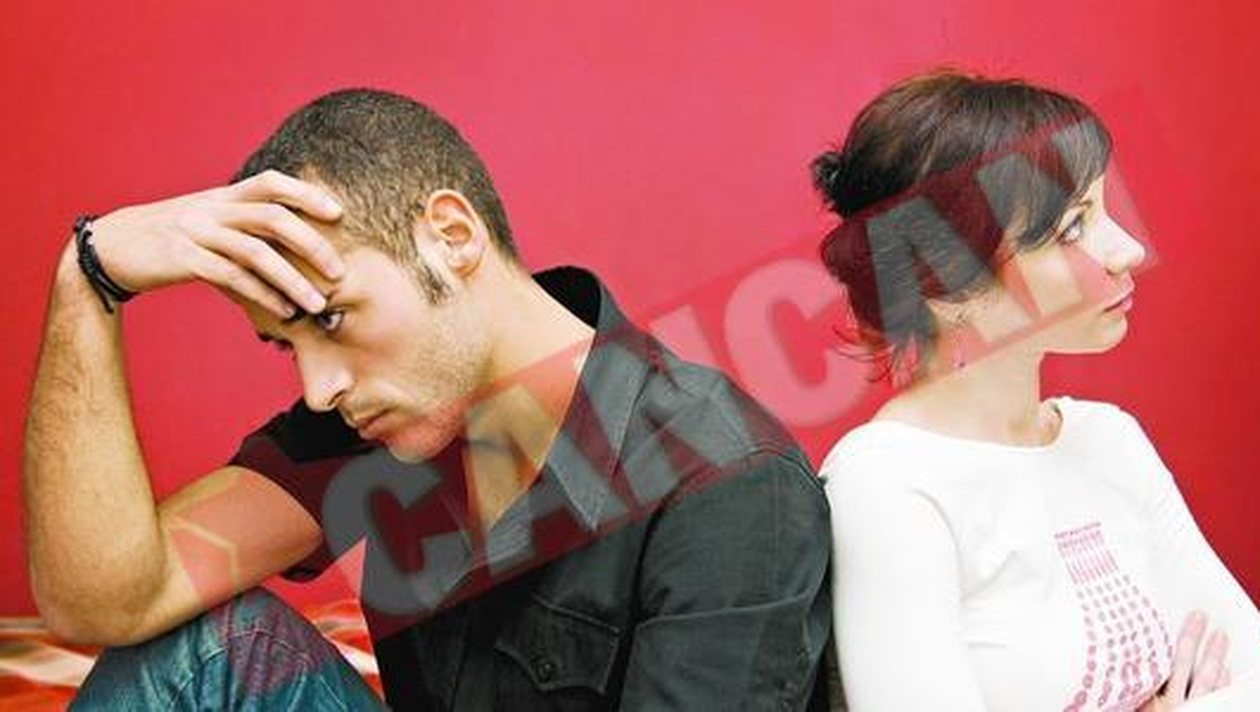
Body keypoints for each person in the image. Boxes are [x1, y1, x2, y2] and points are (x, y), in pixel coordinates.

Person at [23, 88, 833, 710]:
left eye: (332, 319)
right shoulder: (374, 425)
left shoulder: (725, 485)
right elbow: (107, 601)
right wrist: (90, 278)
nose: (319, 388)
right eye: (286, 345)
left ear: (451, 237)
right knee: (205, 647)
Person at [811, 70, 1260, 711]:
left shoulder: (1108, 439)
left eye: (1105, 210)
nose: (1128, 250)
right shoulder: (887, 485)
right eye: (1071, 230)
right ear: (945, 287)